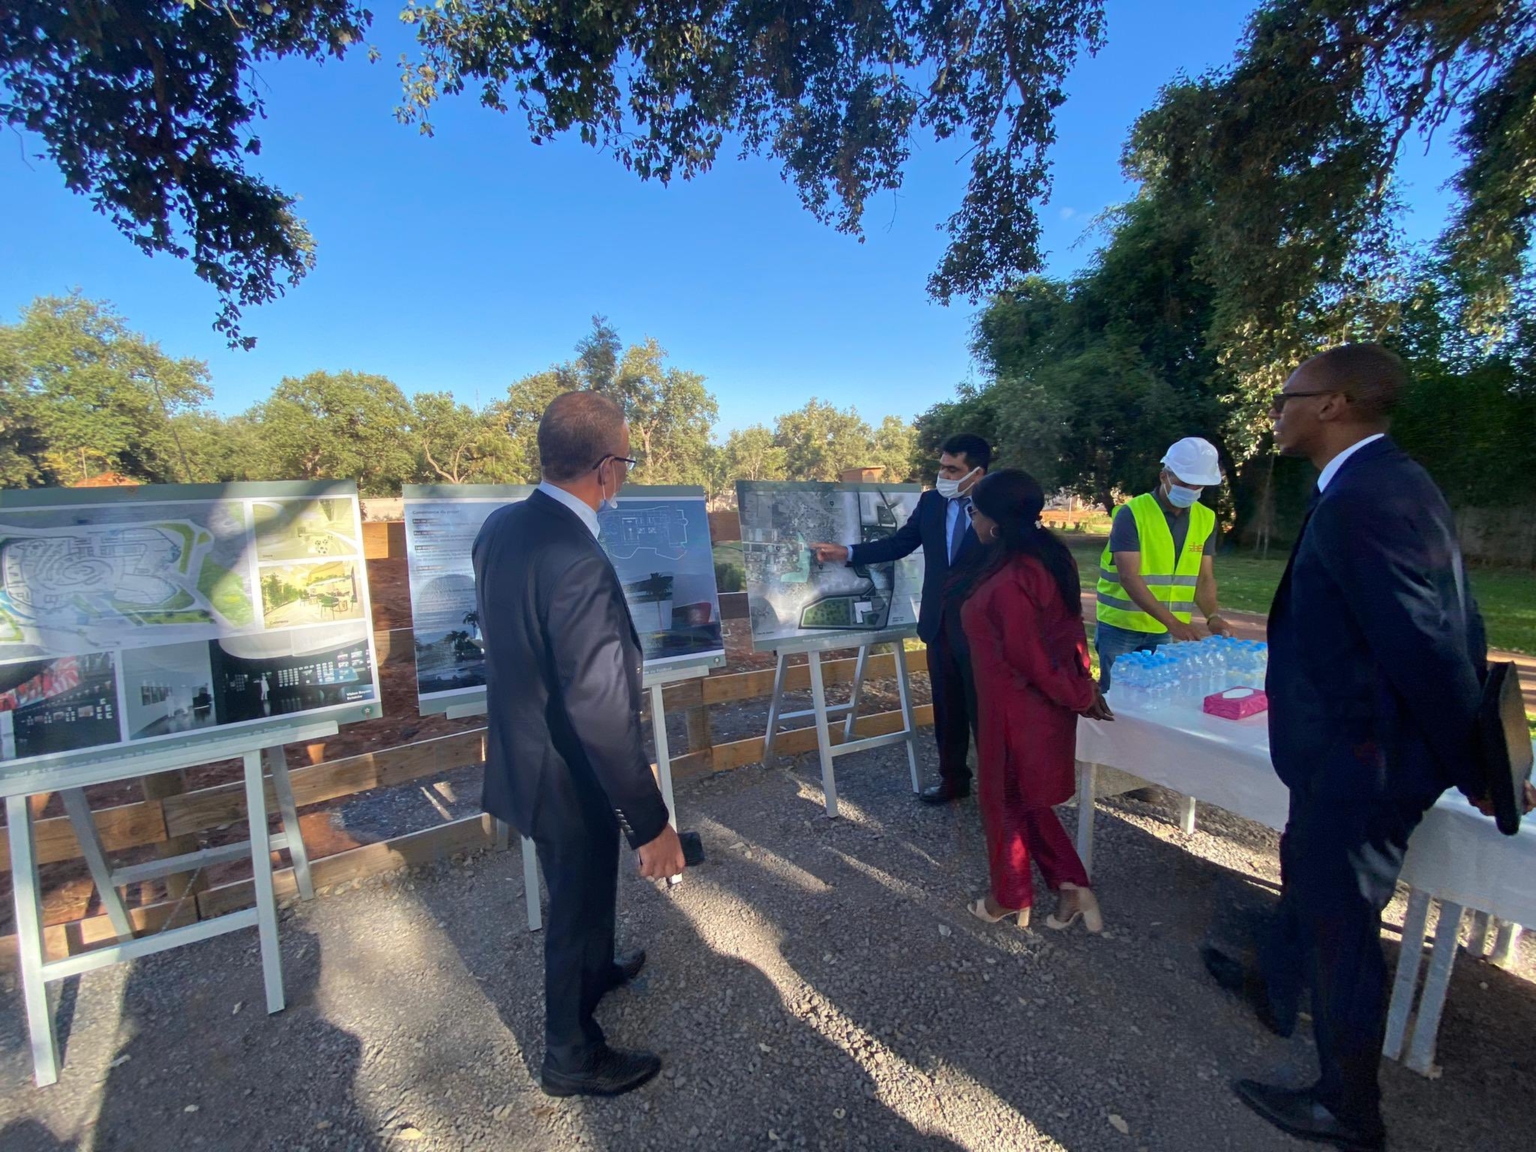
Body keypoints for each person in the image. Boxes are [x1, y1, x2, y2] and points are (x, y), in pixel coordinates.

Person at [1205, 344, 1502, 1150]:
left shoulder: (1367, 497)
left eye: (1287, 398)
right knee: (1306, 868)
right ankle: (1273, 979)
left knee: (1344, 926)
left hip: (1364, 761)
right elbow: (1453, 619)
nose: (1277, 413)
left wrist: (1477, 765)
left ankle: (1348, 1106)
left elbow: (1430, 645)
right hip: (1344, 751)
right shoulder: (1384, 481)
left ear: (1332, 404)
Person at [473, 391, 686, 1099]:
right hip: (567, 769)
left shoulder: (502, 526)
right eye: (625, 460)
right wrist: (651, 824)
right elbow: (599, 709)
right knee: (572, 905)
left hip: (528, 753)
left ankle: (596, 975)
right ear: (605, 468)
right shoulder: (576, 558)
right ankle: (569, 1054)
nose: (622, 473)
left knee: (588, 884)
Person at [953, 470, 1114, 931]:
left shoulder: (1011, 579)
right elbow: (1067, 634)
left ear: (995, 522)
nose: (971, 520)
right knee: (1025, 799)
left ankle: (1008, 896)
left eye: (974, 512)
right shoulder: (1046, 556)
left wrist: (1081, 694)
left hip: (1015, 711)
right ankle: (1071, 886)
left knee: (1002, 801)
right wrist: (1080, 688)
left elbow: (1032, 658)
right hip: (1032, 706)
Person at [810, 434, 990, 804]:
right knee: (947, 708)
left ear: (977, 473)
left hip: (985, 629)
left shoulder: (996, 505)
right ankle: (954, 780)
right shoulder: (931, 502)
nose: (943, 475)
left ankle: (999, 790)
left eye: (952, 469)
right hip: (940, 625)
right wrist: (848, 553)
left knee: (986, 711)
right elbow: (899, 543)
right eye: (941, 467)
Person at [1095, 437, 1233, 691]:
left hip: (1166, 631)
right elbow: (1129, 577)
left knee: (1158, 695)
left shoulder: (1206, 519)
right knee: (1115, 697)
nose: (1191, 490)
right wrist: (1172, 623)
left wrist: (1212, 616)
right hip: (1122, 627)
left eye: (1198, 485)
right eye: (1184, 483)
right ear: (1164, 476)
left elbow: (1204, 577)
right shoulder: (1132, 514)